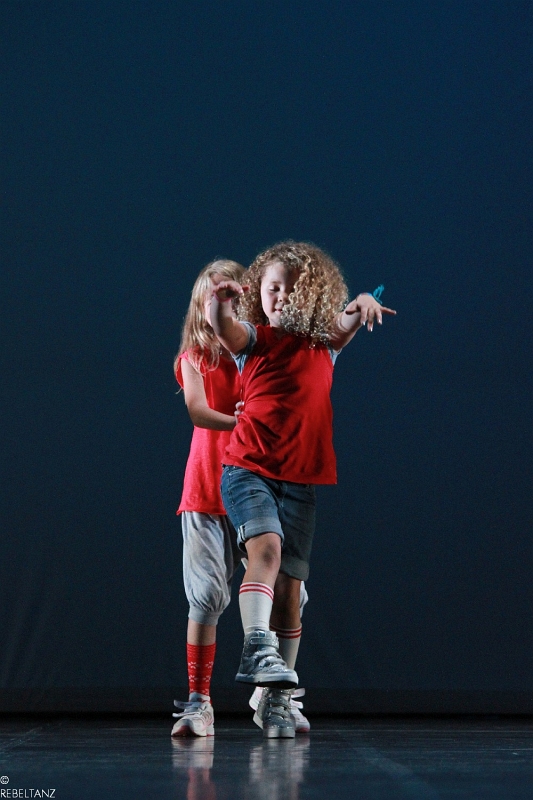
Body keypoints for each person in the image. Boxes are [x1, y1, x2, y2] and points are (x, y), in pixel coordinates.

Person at [211, 241, 396, 738]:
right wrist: (220, 304)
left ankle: (276, 699)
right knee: (266, 552)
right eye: (272, 288)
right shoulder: (255, 339)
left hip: (300, 483)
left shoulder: (324, 346)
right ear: (259, 292)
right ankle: (256, 644)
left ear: (313, 297)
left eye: (292, 291)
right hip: (248, 471)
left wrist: (362, 302)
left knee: (291, 592)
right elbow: (225, 328)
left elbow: (350, 317)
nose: (281, 298)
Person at [171, 258, 311, 738]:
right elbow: (198, 410)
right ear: (202, 305)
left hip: (259, 485)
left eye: (230, 296)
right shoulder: (195, 356)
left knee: (286, 590)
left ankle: (274, 698)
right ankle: (199, 702)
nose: (223, 305)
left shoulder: (261, 351)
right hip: (208, 490)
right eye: (214, 298)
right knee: (207, 596)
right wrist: (244, 420)